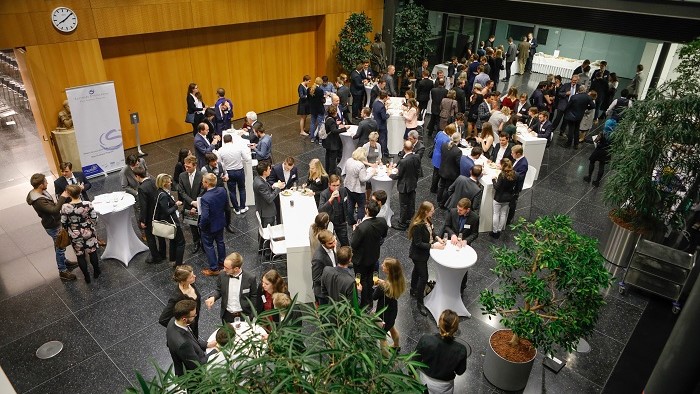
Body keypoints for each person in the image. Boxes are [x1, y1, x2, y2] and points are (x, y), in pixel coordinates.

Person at [27, 173, 78, 281]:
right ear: (41, 185)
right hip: (53, 225)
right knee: (60, 248)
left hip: (53, 222)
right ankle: (62, 271)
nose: (47, 182)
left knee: (59, 245)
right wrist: (63, 197)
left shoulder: (39, 192)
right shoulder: (39, 200)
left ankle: (64, 261)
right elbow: (54, 210)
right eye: (45, 182)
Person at [415, 309, 468, 393]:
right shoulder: (460, 350)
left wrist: (411, 375)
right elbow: (460, 371)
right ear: (456, 328)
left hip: (424, 381)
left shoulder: (426, 339)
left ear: (439, 324)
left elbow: (414, 360)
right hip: (444, 387)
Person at [408, 201, 445, 315]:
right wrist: (434, 246)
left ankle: (413, 289)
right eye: (432, 211)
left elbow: (431, 231)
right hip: (418, 255)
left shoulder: (427, 220)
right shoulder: (417, 225)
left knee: (416, 271)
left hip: (424, 254)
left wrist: (437, 237)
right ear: (425, 211)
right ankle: (420, 303)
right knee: (424, 277)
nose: (433, 213)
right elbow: (418, 243)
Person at [351, 200, 388, 308]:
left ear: (367, 210)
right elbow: (383, 235)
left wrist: (354, 231)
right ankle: (370, 300)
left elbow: (354, 244)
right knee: (371, 276)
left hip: (360, 260)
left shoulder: (361, 227)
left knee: (360, 278)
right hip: (374, 255)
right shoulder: (382, 221)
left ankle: (362, 300)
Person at [60, 185, 101, 283]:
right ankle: (96, 272)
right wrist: (92, 224)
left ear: (69, 194)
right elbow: (95, 219)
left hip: (75, 234)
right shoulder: (88, 204)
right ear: (79, 193)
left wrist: (70, 229)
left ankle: (86, 276)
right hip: (89, 232)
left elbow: (63, 222)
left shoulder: (65, 207)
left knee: (80, 256)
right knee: (92, 252)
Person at [205, 252, 258, 322]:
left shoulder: (250, 278)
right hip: (227, 315)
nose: (224, 269)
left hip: (244, 315)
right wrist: (213, 297)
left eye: (226, 268)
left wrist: (251, 315)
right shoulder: (222, 275)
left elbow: (254, 296)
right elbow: (219, 289)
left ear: (236, 269)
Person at [166, 299, 212, 376]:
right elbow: (198, 366)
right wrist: (215, 351)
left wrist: (207, 344)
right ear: (184, 319)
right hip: (193, 377)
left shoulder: (173, 320)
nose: (195, 316)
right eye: (194, 315)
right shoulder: (183, 344)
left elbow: (192, 340)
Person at [444, 198, 479, 292]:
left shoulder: (474, 218)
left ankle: (462, 287)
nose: (458, 211)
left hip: (464, 246)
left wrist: (466, 241)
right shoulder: (452, 212)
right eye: (457, 209)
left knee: (463, 267)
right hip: (452, 243)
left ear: (467, 209)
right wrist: (453, 234)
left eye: (460, 210)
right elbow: (447, 226)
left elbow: (475, 234)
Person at [159, 265, 202, 338]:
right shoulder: (176, 297)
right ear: (183, 281)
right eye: (191, 277)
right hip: (187, 328)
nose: (194, 276)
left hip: (194, 321)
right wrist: (181, 327)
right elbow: (163, 319)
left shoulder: (190, 284)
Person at [373, 257, 406, 352]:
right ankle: (396, 345)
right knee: (392, 328)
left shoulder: (383, 286)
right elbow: (389, 287)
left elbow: (374, 297)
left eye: (384, 265)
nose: (381, 265)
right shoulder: (399, 281)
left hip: (383, 314)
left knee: (382, 336)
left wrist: (377, 286)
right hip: (392, 311)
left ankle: (386, 358)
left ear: (389, 270)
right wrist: (383, 283)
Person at [199, 173, 228, 276]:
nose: (202, 183)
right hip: (220, 222)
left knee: (209, 246)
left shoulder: (205, 198)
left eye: (203, 181)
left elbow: (205, 216)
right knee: (220, 242)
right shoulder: (222, 190)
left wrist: (201, 226)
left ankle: (214, 268)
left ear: (207, 183)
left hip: (209, 227)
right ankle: (222, 262)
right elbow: (226, 206)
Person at [155, 174, 186, 267]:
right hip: (172, 221)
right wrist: (176, 205)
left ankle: (174, 260)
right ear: (165, 184)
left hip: (168, 221)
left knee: (173, 240)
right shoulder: (164, 195)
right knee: (181, 242)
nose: (171, 183)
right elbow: (166, 211)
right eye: (169, 181)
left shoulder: (159, 192)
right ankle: (179, 264)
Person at [254, 162, 285, 253]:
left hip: (262, 208)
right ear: (264, 172)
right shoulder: (261, 184)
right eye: (269, 169)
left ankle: (262, 248)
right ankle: (267, 251)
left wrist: (272, 186)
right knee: (268, 230)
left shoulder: (258, 179)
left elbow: (265, 191)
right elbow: (269, 198)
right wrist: (278, 188)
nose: (270, 170)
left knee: (264, 229)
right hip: (267, 212)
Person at [134, 167, 163, 264]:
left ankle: (156, 257)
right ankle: (163, 254)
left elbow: (143, 206)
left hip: (149, 217)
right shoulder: (153, 181)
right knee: (160, 235)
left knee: (150, 238)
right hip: (158, 213)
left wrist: (143, 220)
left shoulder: (142, 188)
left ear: (137, 176)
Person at [390, 140, 421, 230]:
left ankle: (402, 224)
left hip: (404, 186)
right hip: (413, 184)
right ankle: (410, 220)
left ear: (404, 148)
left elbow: (398, 175)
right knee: (411, 203)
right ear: (412, 148)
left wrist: (390, 174)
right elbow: (417, 170)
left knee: (403, 205)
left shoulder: (404, 161)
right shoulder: (417, 157)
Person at [217, 133, 251, 215]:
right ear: (231, 140)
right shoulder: (238, 147)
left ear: (224, 141)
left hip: (229, 173)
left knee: (232, 191)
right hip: (239, 171)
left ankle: (236, 209)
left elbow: (219, 162)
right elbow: (247, 159)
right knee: (242, 189)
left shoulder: (220, 150)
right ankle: (243, 207)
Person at [201, 153, 233, 234]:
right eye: (212, 161)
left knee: (227, 209)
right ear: (208, 162)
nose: (215, 162)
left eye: (215, 160)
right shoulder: (204, 169)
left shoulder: (221, 165)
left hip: (221, 189)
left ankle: (228, 224)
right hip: (211, 192)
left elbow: (226, 173)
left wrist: (226, 177)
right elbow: (204, 181)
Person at [178, 155, 203, 254]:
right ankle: (196, 242)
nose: (186, 168)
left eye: (189, 166)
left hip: (200, 205)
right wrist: (192, 203)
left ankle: (204, 243)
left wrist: (196, 204)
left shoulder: (201, 175)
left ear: (195, 165)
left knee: (202, 226)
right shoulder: (182, 176)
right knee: (193, 227)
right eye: (185, 166)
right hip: (189, 205)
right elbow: (181, 192)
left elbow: (202, 191)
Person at [345, 147, 376, 225]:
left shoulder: (349, 160)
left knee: (350, 204)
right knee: (361, 206)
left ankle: (350, 221)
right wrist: (372, 173)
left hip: (348, 186)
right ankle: (359, 223)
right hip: (357, 189)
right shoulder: (361, 165)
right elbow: (363, 179)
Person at [318, 174, 351, 246]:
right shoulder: (324, 194)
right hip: (330, 222)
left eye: (337, 185)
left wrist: (347, 218)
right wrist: (331, 199)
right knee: (330, 243)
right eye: (334, 185)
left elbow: (346, 204)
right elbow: (321, 210)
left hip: (341, 222)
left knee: (345, 244)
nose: (336, 188)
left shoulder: (343, 190)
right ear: (329, 184)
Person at [584, 119, 616, 187]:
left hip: (599, 150)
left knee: (592, 161)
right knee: (602, 166)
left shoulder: (602, 133)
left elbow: (596, 140)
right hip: (607, 152)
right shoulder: (614, 135)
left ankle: (589, 177)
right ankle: (597, 181)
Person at [491, 158, 518, 239]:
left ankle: (494, 231)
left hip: (499, 197)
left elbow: (497, 187)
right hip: (508, 198)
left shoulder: (502, 175)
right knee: (503, 214)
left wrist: (493, 180)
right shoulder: (515, 174)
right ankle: (499, 230)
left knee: (496, 214)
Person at [312, 229, 337, 305]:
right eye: (330, 243)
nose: (334, 244)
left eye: (334, 241)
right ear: (323, 244)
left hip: (332, 287)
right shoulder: (318, 258)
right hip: (324, 293)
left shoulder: (331, 247)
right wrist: (332, 277)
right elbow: (316, 278)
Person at [437, 133, 463, 207]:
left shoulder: (444, 145)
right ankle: (442, 203)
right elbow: (458, 164)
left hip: (442, 169)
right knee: (447, 188)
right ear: (458, 140)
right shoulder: (458, 151)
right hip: (451, 173)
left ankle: (438, 200)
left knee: (441, 185)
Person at [430, 123, 455, 194]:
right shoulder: (447, 139)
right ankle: (434, 188)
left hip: (435, 154)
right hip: (440, 157)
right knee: (437, 174)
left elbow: (435, 140)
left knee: (435, 172)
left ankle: (433, 187)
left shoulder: (439, 133)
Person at [323, 105, 346, 175]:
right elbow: (334, 131)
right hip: (332, 143)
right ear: (335, 112)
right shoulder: (332, 120)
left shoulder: (328, 118)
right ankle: (332, 173)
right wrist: (344, 129)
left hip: (327, 142)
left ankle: (327, 171)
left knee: (327, 157)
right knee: (333, 159)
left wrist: (336, 124)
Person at [371, 91, 390, 156]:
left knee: (377, 139)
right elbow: (384, 117)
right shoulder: (382, 106)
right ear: (384, 98)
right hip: (382, 125)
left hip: (376, 124)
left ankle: (378, 152)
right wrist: (388, 114)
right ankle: (384, 152)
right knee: (383, 139)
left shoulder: (375, 103)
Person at [307, 77, 325, 142]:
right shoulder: (320, 90)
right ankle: (320, 138)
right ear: (320, 82)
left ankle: (312, 137)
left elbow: (308, 99)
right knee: (320, 123)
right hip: (319, 109)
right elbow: (322, 100)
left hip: (312, 109)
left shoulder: (309, 89)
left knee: (312, 123)